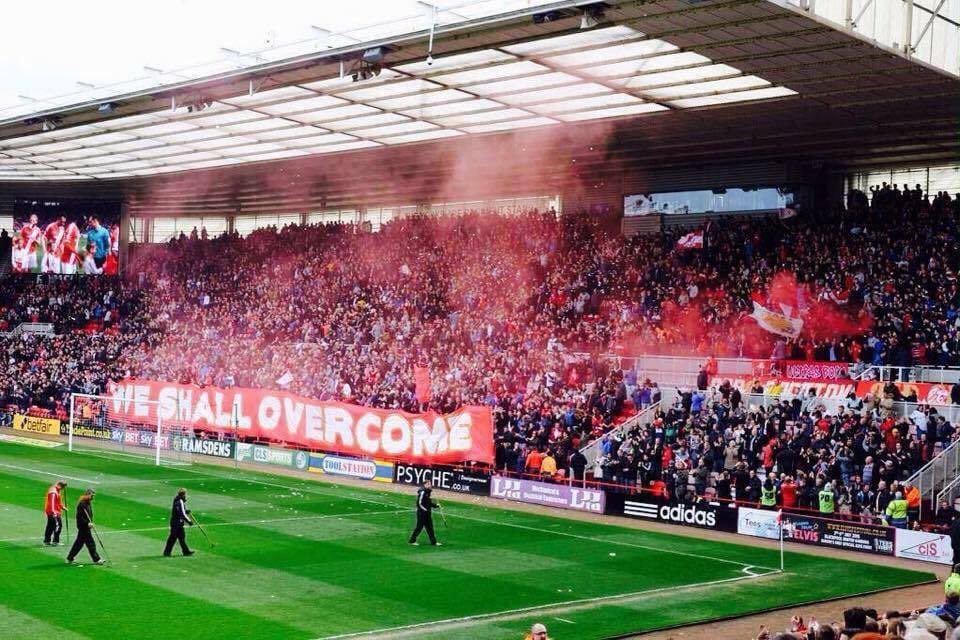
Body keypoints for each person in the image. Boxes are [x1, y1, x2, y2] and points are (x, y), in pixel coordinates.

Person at [66, 489, 103, 565]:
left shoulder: (87, 503)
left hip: (85, 527)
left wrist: (91, 522)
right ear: (88, 495)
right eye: (92, 495)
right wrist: (87, 524)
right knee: (91, 543)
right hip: (83, 527)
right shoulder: (82, 504)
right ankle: (97, 559)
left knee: (78, 544)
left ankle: (70, 558)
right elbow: (80, 517)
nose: (93, 497)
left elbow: (88, 515)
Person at [408, 480, 441, 546]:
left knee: (430, 528)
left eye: (430, 484)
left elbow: (428, 503)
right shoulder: (422, 492)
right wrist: (424, 509)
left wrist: (436, 505)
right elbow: (419, 503)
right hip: (422, 513)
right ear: (425, 484)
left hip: (427, 513)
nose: (430, 485)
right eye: (429, 484)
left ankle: (433, 542)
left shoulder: (428, 492)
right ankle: (412, 541)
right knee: (419, 527)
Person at [163, 488, 194, 557]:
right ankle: (167, 552)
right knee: (173, 538)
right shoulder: (180, 501)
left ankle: (186, 551)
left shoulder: (177, 500)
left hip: (176, 522)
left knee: (181, 537)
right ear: (183, 495)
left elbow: (180, 511)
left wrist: (186, 511)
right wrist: (189, 521)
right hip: (177, 523)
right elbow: (182, 514)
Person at [43, 481, 67, 546]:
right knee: (58, 525)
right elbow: (52, 503)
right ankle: (55, 541)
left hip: (51, 511)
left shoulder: (56, 490)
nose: (62, 489)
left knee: (50, 526)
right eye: (63, 487)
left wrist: (62, 507)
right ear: (61, 486)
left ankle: (47, 541)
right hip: (53, 512)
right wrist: (54, 512)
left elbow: (57, 501)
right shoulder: (54, 492)